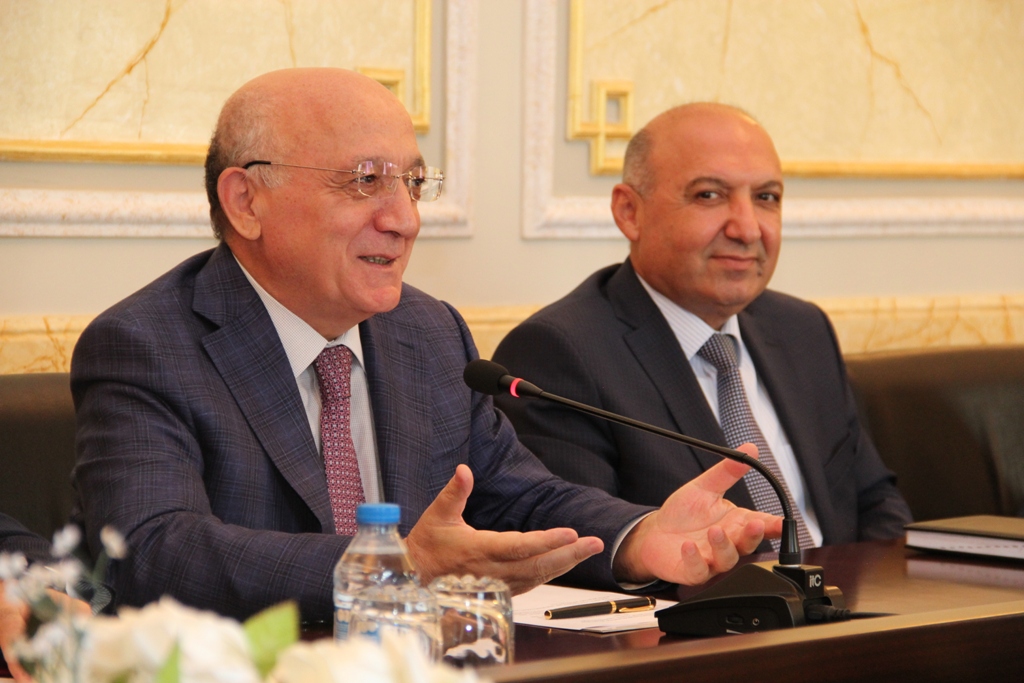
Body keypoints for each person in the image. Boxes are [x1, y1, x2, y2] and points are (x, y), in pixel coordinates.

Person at [71, 70, 782, 623]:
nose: (405, 219)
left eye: (412, 183)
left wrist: (639, 536)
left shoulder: (426, 332)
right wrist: (393, 566)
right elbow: (153, 550)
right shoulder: (145, 345)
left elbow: (519, 497)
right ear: (245, 201)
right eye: (365, 182)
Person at [493, 103, 911, 552]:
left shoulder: (803, 330)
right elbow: (580, 547)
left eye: (766, 198)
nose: (747, 229)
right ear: (629, 212)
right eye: (709, 195)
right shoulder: (560, 352)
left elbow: (874, 501)